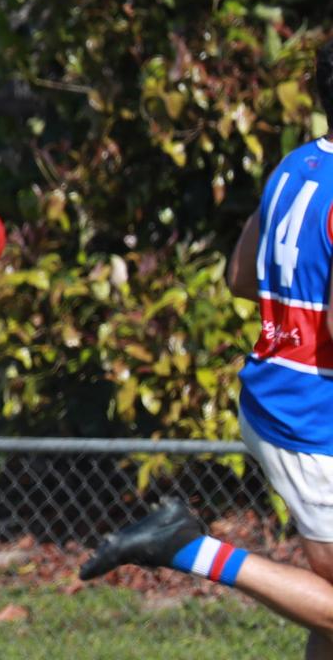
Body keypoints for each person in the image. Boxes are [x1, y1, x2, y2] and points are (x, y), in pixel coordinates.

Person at [80, 39, 333, 657]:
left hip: (281, 396)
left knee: (325, 606)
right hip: (311, 420)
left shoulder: (298, 166)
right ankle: (186, 547)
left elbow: (240, 276)